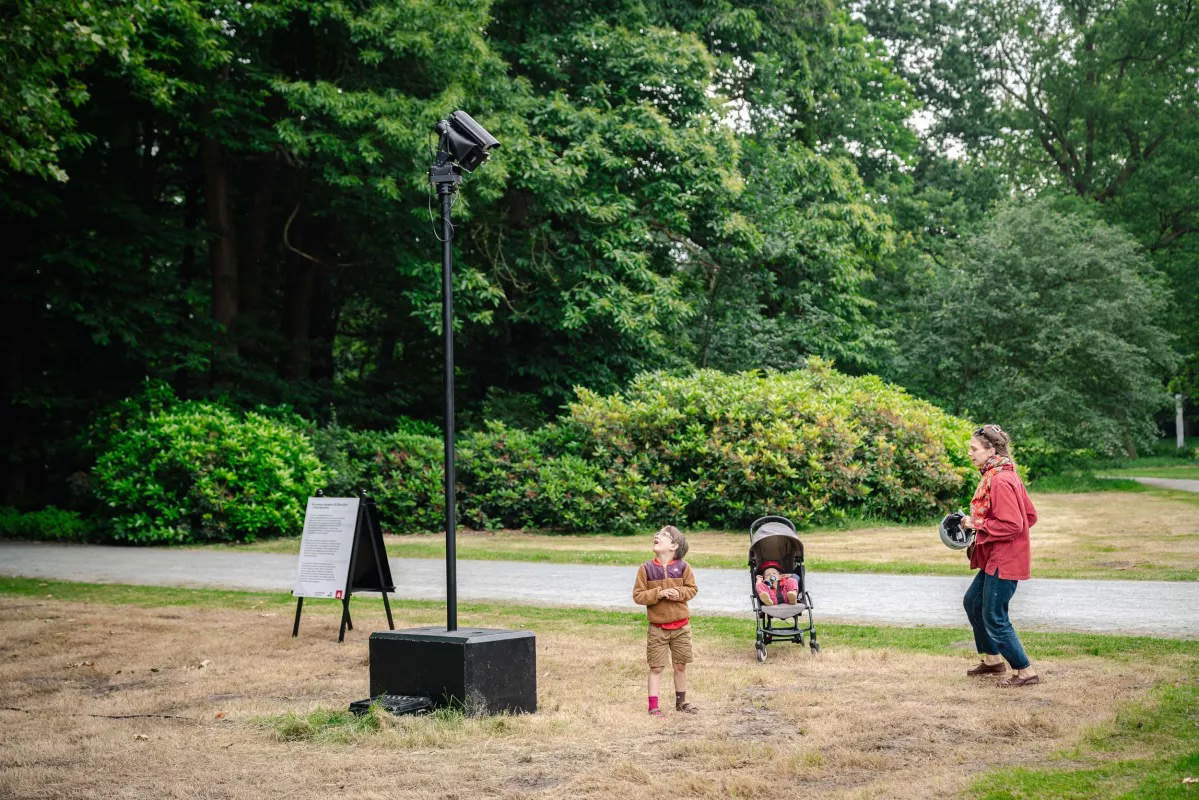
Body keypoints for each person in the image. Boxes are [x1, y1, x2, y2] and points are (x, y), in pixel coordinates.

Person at [961, 424, 1040, 687]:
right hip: (995, 556)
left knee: (994, 615)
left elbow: (1013, 525)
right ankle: (993, 661)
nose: (970, 454)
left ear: (990, 450)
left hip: (1004, 560)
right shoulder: (1004, 474)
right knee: (973, 602)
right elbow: (1029, 516)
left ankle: (1025, 671)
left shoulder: (1001, 480)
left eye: (974, 449)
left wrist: (977, 525)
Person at [632, 525, 699, 716]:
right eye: (657, 533)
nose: (657, 536)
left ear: (674, 546)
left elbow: (692, 589)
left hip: (681, 627)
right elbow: (638, 596)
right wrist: (658, 593)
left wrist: (677, 592)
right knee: (656, 667)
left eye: (663, 535)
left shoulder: (684, 568)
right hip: (657, 629)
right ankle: (653, 706)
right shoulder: (646, 569)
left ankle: (681, 703)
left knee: (680, 665)